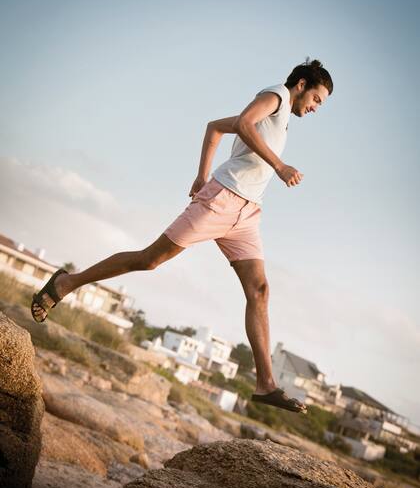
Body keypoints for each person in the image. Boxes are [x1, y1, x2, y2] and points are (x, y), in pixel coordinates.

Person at [31, 58, 333, 413]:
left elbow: (215, 128)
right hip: (223, 200)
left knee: (260, 290)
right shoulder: (276, 96)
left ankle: (266, 384)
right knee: (149, 260)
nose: (315, 108)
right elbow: (242, 123)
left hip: (247, 214)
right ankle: (66, 284)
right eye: (316, 99)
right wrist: (279, 166)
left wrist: (201, 175)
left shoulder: (280, 119)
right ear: (301, 84)